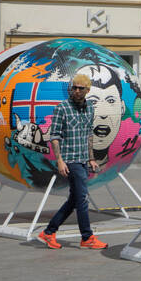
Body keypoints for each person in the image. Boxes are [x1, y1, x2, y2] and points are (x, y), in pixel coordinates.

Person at [35, 73, 107, 249]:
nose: (76, 91)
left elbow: (89, 133)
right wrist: (59, 160)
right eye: (74, 87)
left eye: (80, 88)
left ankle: (48, 232)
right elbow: (54, 136)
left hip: (83, 159)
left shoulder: (90, 108)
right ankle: (87, 237)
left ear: (87, 90)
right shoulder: (62, 108)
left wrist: (91, 158)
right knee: (82, 198)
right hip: (70, 160)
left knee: (74, 199)